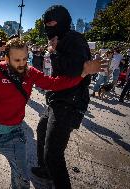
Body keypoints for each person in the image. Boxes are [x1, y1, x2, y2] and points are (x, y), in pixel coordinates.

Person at [0, 37, 103, 189]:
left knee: (22, 180)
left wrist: (83, 73)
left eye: (25, 59)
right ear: (6, 58)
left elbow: (54, 83)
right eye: (17, 60)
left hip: (14, 135)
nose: (21, 64)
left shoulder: (30, 73)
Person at [30, 5, 96, 189]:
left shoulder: (74, 39)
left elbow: (76, 70)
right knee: (42, 130)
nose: (47, 27)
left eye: (51, 23)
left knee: (53, 153)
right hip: (56, 98)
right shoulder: (58, 38)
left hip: (69, 103)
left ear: (62, 21)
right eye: (46, 23)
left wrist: (54, 52)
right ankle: (46, 170)